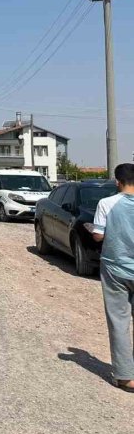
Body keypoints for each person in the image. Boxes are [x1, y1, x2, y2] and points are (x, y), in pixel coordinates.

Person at [91, 162, 134, 393]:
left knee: (119, 321)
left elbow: (98, 235)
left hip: (116, 268)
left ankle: (126, 377)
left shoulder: (107, 203)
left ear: (118, 182)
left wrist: (93, 230)